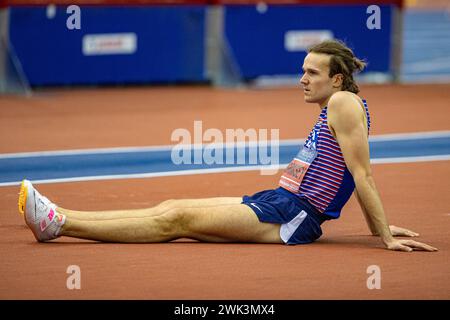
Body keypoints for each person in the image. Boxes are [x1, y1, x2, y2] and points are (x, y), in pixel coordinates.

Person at [18, 39, 437, 252]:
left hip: (294, 216)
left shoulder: (344, 103)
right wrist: (375, 227)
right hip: (280, 200)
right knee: (172, 207)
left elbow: (361, 174)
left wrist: (383, 235)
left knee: (176, 219)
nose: (302, 79)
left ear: (338, 79)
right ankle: (60, 217)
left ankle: (59, 224)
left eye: (312, 72)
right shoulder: (337, 104)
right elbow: (350, 172)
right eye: (302, 70)